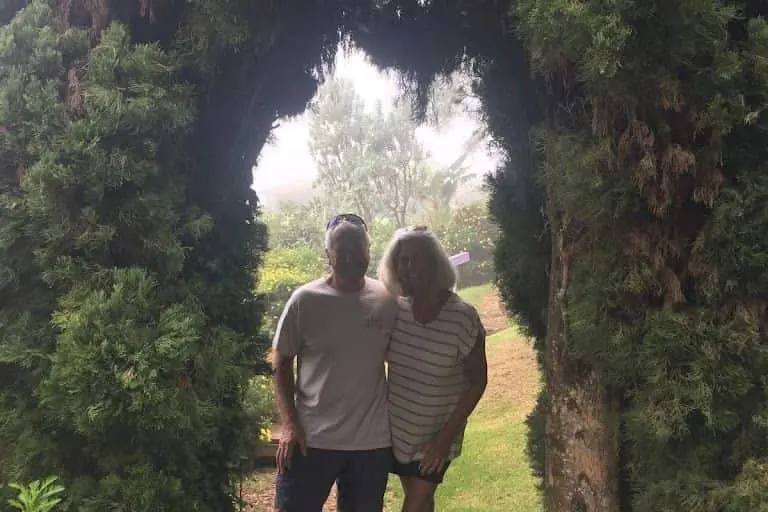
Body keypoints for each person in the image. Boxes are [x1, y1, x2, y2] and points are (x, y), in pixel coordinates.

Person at [271, 213, 398, 512]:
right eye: (343, 248)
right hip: (311, 439)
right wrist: (289, 424)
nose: (352, 256)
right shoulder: (305, 300)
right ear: (328, 253)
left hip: (370, 444)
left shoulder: (386, 299)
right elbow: (281, 361)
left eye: (359, 247)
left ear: (369, 251)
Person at [378, 226, 488, 512]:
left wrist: (443, 441)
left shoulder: (462, 317)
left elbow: (477, 382)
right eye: (404, 260)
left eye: (419, 259)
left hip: (438, 438)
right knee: (423, 506)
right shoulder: (396, 311)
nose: (410, 267)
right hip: (400, 433)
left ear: (435, 264)